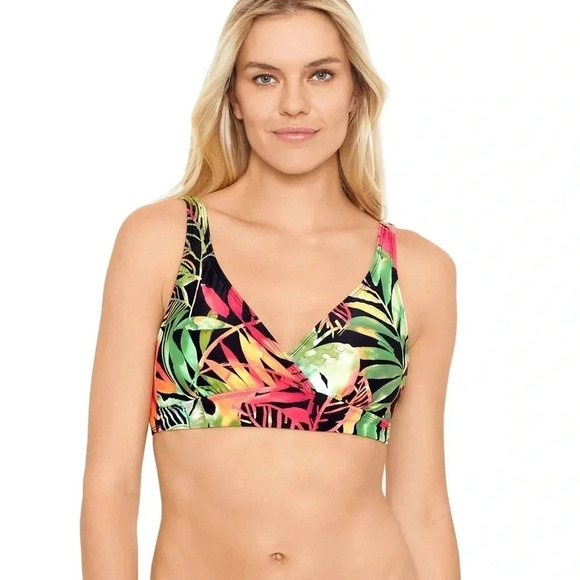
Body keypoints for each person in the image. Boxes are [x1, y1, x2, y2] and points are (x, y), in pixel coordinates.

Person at [80, 1, 460, 578]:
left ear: (355, 93)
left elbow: (423, 508)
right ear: (233, 97)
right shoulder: (164, 241)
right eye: (264, 78)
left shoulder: (416, 269)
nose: (294, 103)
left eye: (321, 74)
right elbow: (111, 487)